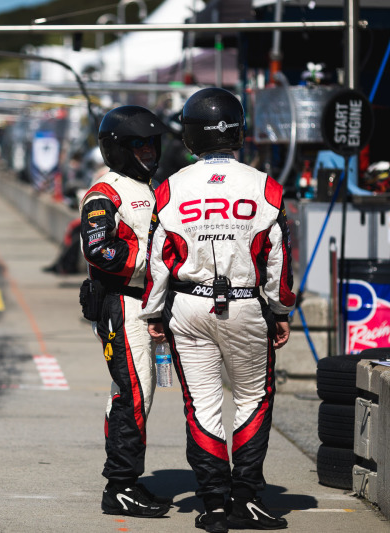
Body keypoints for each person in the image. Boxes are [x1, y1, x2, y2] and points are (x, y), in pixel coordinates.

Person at [140, 88, 296, 533]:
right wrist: (281, 309)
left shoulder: (170, 188)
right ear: (239, 133)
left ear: (189, 138)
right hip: (246, 306)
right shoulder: (265, 186)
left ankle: (213, 505)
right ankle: (247, 498)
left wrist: (154, 313)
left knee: (201, 404)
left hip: (188, 306)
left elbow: (158, 260)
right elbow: (277, 259)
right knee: (252, 399)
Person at [78, 105, 172, 518]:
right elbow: (98, 249)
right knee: (135, 394)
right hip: (122, 304)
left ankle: (126, 480)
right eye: (139, 143)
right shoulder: (105, 192)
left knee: (134, 393)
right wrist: (158, 259)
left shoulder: (154, 188)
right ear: (118, 148)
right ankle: (119, 486)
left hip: (149, 307)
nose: (149, 151)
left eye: (153, 143)